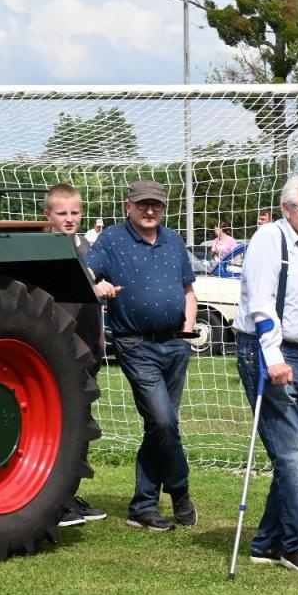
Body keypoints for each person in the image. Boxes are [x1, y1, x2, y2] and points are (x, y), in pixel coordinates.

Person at [229, 174, 298, 573]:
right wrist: (273, 358)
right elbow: (260, 305)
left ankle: (267, 543)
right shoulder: (269, 240)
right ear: (287, 209)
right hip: (267, 352)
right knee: (291, 451)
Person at [86, 180, 198, 531]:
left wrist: (187, 327)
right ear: (128, 206)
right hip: (136, 346)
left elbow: (188, 290)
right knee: (164, 421)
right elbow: (85, 274)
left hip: (176, 346)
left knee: (161, 427)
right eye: (143, 204)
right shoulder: (111, 240)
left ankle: (144, 505)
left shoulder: (174, 240)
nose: (150, 210)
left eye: (157, 205)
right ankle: (178, 490)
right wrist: (95, 285)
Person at [42, 183, 112, 528]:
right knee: (63, 425)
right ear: (48, 215)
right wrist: (93, 285)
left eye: (75, 213)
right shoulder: (44, 249)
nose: (69, 219)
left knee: (81, 423)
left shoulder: (85, 244)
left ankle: (69, 494)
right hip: (59, 353)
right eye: (62, 213)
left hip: (88, 350)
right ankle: (56, 501)